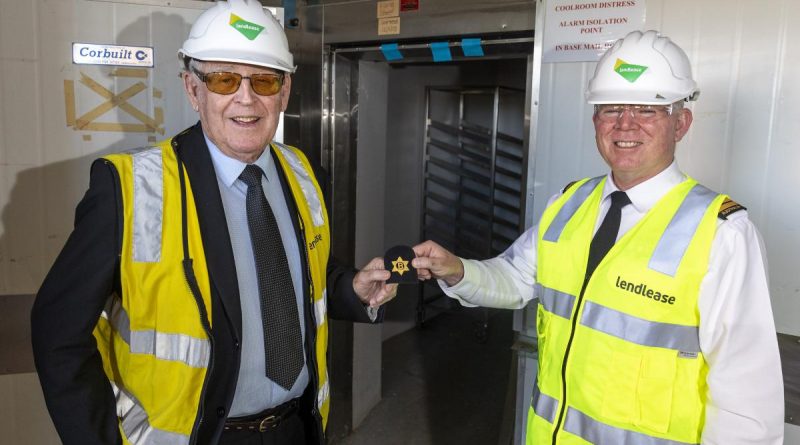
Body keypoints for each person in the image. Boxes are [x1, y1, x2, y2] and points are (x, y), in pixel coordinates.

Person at [31, 1, 397, 444]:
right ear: (193, 89)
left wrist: (350, 289)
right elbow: (58, 336)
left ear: (284, 92)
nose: (247, 98)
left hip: (298, 429)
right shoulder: (127, 189)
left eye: (264, 80)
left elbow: (305, 275)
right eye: (224, 79)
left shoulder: (304, 173)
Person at [413, 30, 784, 444]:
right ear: (595, 121)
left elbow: (746, 398)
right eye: (611, 109)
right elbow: (517, 279)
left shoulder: (721, 234)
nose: (625, 124)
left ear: (680, 123)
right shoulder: (568, 204)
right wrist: (458, 270)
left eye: (647, 109)